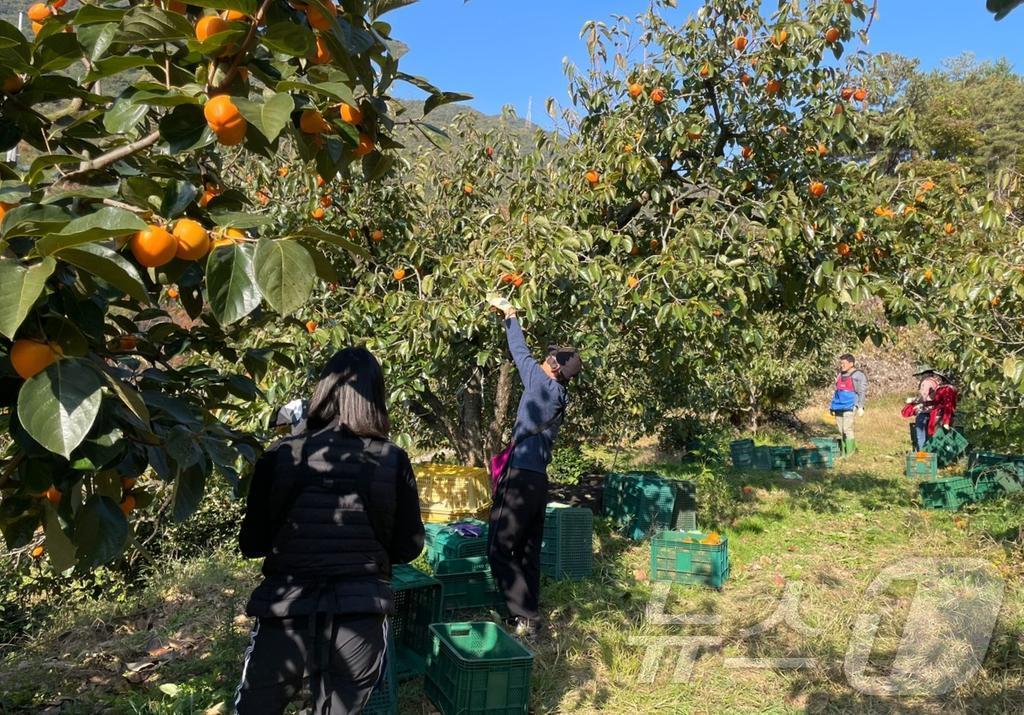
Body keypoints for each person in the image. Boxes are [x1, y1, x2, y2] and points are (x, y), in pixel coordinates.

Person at [234, 347, 424, 715]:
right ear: (376, 397)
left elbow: (252, 543)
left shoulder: (282, 454)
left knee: (256, 708)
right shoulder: (391, 458)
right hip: (361, 609)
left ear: (322, 390)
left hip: (285, 608)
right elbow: (409, 546)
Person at [488, 301, 581, 639]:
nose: (543, 359)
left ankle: (524, 615)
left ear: (554, 367)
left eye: (549, 357)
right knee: (527, 548)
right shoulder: (558, 395)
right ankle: (530, 612)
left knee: (498, 548)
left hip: (520, 477)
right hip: (538, 480)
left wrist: (510, 315)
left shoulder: (542, 384)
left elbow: (520, 352)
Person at [828, 353, 867, 455]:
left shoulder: (859, 375)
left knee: (847, 429)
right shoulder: (840, 375)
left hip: (850, 406)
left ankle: (850, 454)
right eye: (841, 363)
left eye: (844, 363)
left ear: (851, 363)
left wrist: (861, 406)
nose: (842, 365)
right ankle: (845, 452)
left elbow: (861, 392)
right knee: (841, 430)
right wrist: (832, 406)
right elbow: (837, 391)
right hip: (838, 406)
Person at [906, 366, 950, 450]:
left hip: (925, 411)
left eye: (922, 375)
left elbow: (923, 397)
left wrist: (913, 400)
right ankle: (930, 454)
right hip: (935, 412)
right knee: (931, 435)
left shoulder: (926, 382)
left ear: (925, 374)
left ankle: (922, 456)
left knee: (921, 435)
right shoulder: (936, 383)